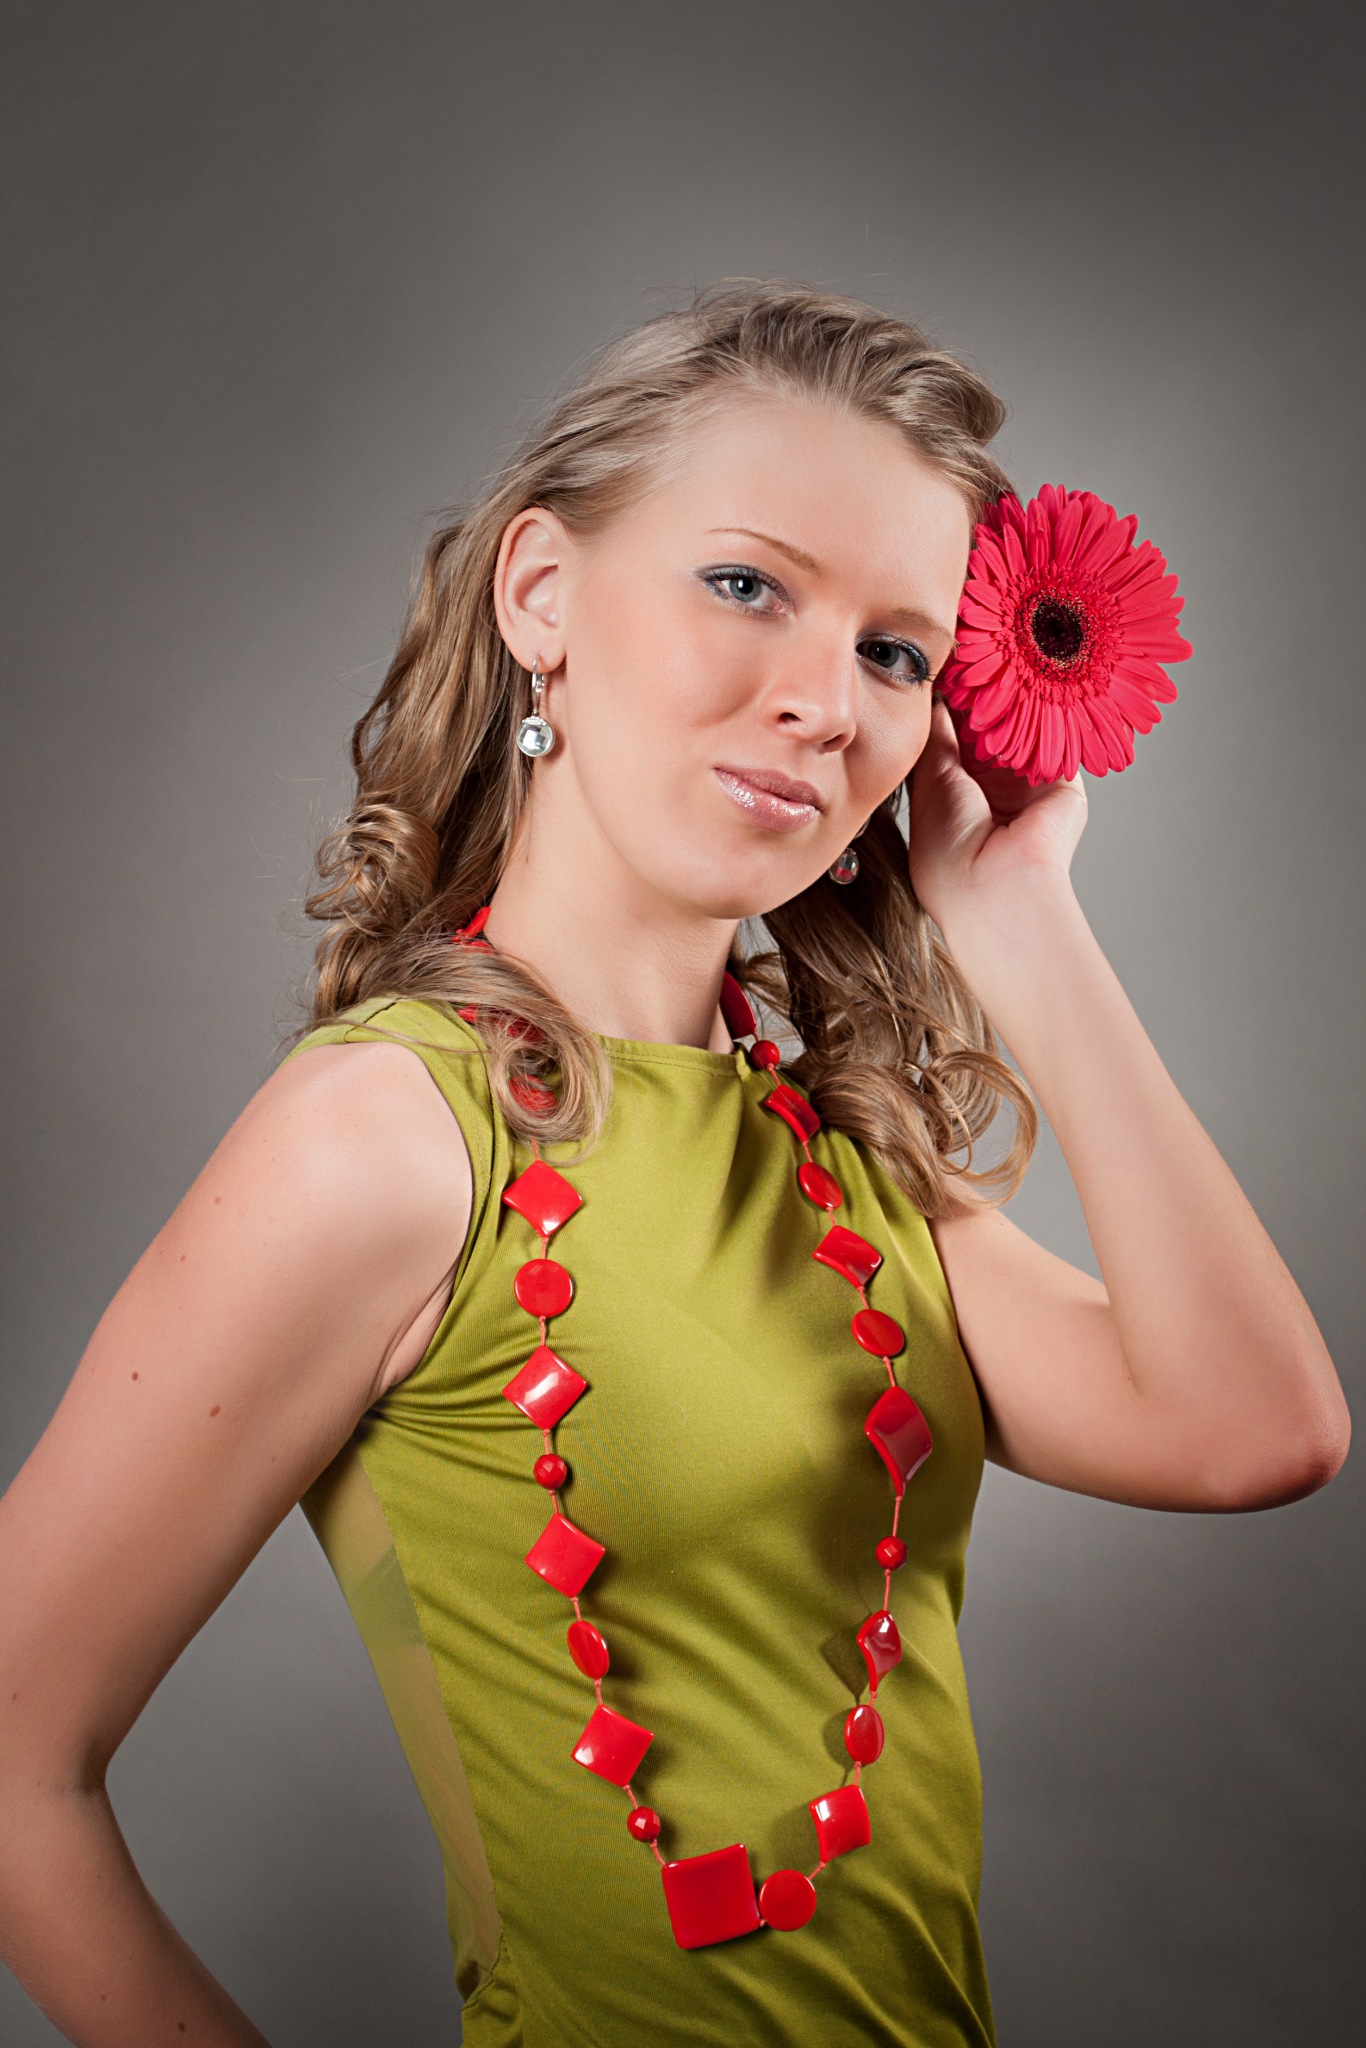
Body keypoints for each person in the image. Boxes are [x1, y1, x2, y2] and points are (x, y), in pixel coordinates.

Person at [0, 282, 1348, 2048]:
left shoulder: (836, 1156)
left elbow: (1254, 1431)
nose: (823, 702)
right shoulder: (385, 1138)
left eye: (894, 653)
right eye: (745, 585)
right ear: (541, 596)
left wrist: (1023, 919)